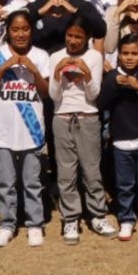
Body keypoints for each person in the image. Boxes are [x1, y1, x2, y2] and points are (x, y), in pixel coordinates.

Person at [0, 11, 53, 248]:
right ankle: (7, 224)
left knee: (32, 181)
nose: (20, 34)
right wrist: (4, 68)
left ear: (31, 31)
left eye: (25, 29)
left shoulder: (40, 55)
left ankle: (34, 223)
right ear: (7, 32)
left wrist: (34, 71)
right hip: (2, 129)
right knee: (6, 182)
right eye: (15, 29)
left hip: (31, 129)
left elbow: (46, 92)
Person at [47, 14, 115, 244]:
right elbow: (54, 96)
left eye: (78, 37)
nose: (73, 41)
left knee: (91, 169)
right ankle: (70, 218)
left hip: (87, 117)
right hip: (62, 117)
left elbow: (94, 94)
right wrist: (57, 74)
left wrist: (86, 73)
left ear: (87, 38)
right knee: (66, 172)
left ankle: (98, 215)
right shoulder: (56, 56)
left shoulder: (94, 56)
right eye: (70, 36)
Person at [97, 34, 138, 242]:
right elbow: (101, 104)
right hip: (120, 140)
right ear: (118, 55)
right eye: (125, 53)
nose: (129, 57)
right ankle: (126, 218)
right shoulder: (110, 77)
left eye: (134, 53)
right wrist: (113, 86)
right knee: (124, 184)